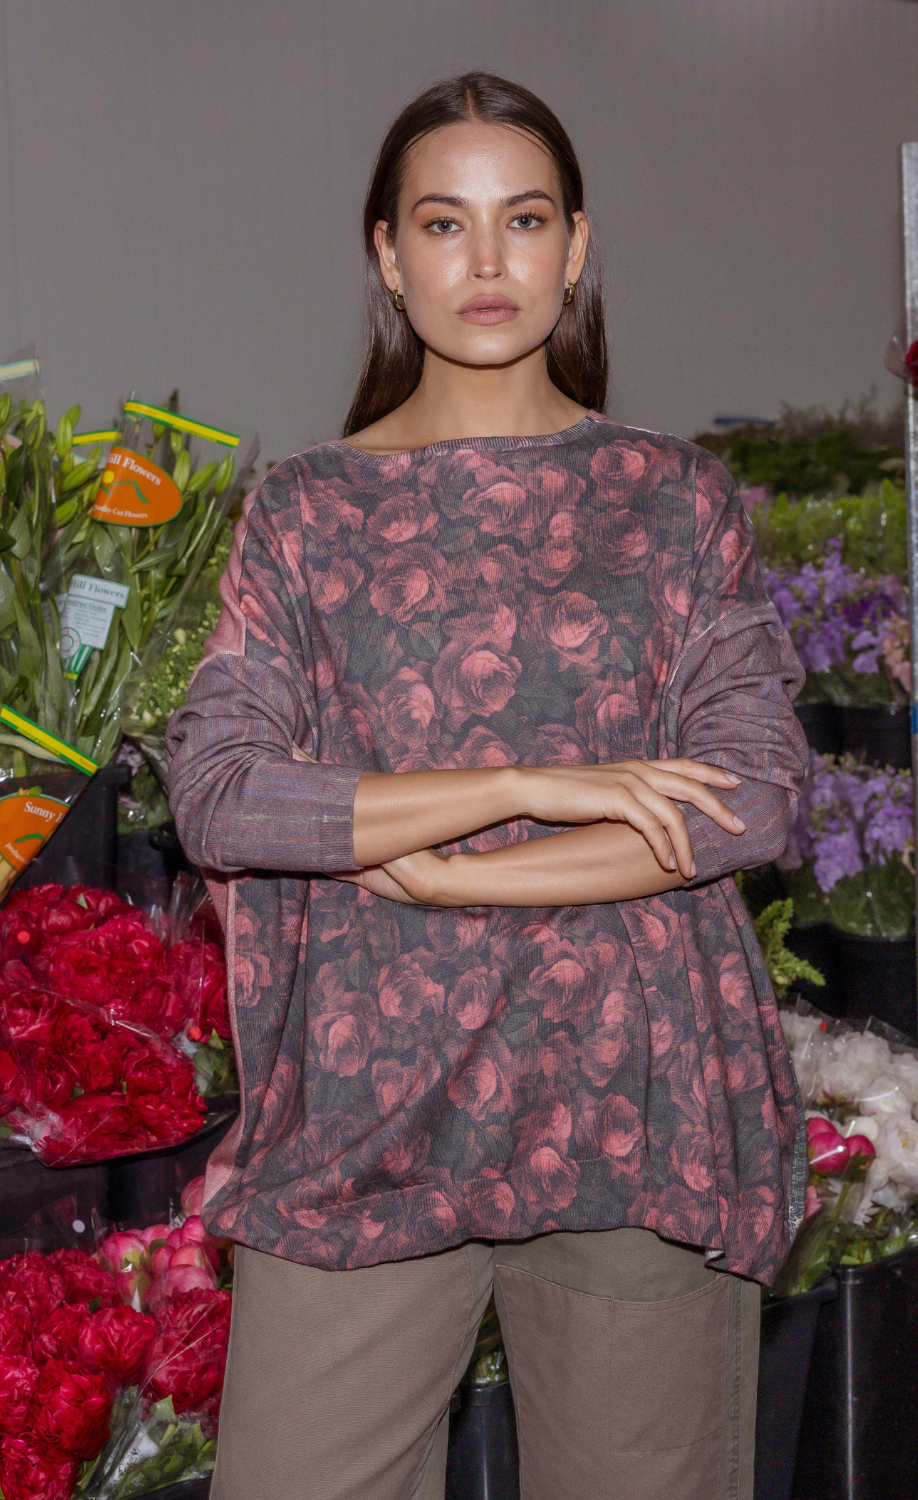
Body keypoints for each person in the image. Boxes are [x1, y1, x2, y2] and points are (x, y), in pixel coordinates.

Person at [167, 70, 808, 1500]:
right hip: (365, 1105)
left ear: (576, 247)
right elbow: (220, 793)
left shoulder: (673, 497)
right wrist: (528, 780)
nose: (486, 259)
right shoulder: (305, 512)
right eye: (443, 223)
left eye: (523, 219)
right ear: (388, 257)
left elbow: (754, 794)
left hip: (630, 1088)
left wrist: (458, 880)